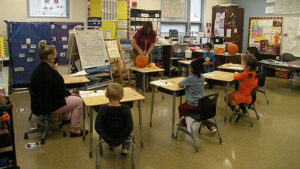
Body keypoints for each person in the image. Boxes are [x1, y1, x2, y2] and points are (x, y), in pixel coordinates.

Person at [30, 41, 87, 137]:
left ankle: (65, 119)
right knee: (78, 101)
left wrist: (67, 93)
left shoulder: (39, 69)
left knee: (69, 96)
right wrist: (68, 93)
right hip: (47, 105)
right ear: (50, 57)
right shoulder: (51, 73)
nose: (56, 56)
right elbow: (60, 91)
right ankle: (74, 130)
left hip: (38, 104)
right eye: (55, 54)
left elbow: (54, 90)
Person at [177, 58, 217, 133]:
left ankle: (183, 124)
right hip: (203, 103)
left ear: (192, 69)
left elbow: (180, 85)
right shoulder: (202, 77)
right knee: (202, 112)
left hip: (193, 105)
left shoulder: (190, 78)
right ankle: (210, 126)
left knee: (181, 108)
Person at [95, 83, 133, 155]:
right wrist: (119, 139)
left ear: (106, 95)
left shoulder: (102, 108)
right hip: (122, 135)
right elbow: (129, 127)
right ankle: (125, 148)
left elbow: (98, 126)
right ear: (122, 96)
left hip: (107, 134)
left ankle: (110, 145)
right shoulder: (126, 109)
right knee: (130, 133)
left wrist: (108, 139)